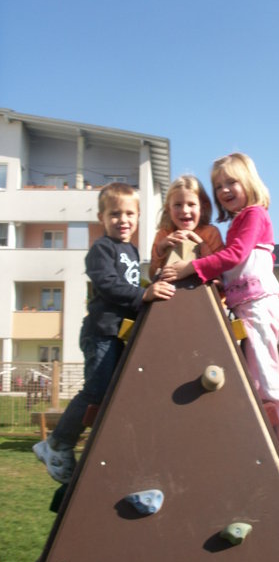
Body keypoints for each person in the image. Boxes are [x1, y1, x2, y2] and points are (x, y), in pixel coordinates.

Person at [161, 153, 279, 481]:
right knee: (253, 382)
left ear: (249, 183)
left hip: (259, 305)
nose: (224, 189)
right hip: (244, 308)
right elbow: (230, 270)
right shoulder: (238, 221)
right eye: (218, 186)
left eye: (231, 182)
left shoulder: (254, 215)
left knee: (267, 380)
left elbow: (236, 255)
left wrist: (192, 266)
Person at [33, 182, 176, 483]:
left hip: (119, 333)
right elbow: (109, 285)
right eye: (114, 214)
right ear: (101, 217)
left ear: (137, 217)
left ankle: (105, 448)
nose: (122, 220)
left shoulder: (131, 249)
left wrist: (153, 288)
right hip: (101, 332)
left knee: (117, 392)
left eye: (128, 213)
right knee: (96, 391)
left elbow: (131, 287)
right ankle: (56, 444)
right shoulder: (101, 249)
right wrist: (143, 295)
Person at [149, 175, 224, 280]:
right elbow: (152, 275)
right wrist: (160, 250)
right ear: (168, 209)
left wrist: (201, 244)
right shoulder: (164, 235)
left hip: (202, 293)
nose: (184, 210)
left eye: (191, 204)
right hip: (173, 293)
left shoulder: (210, 233)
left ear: (202, 208)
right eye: (178, 205)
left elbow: (220, 272)